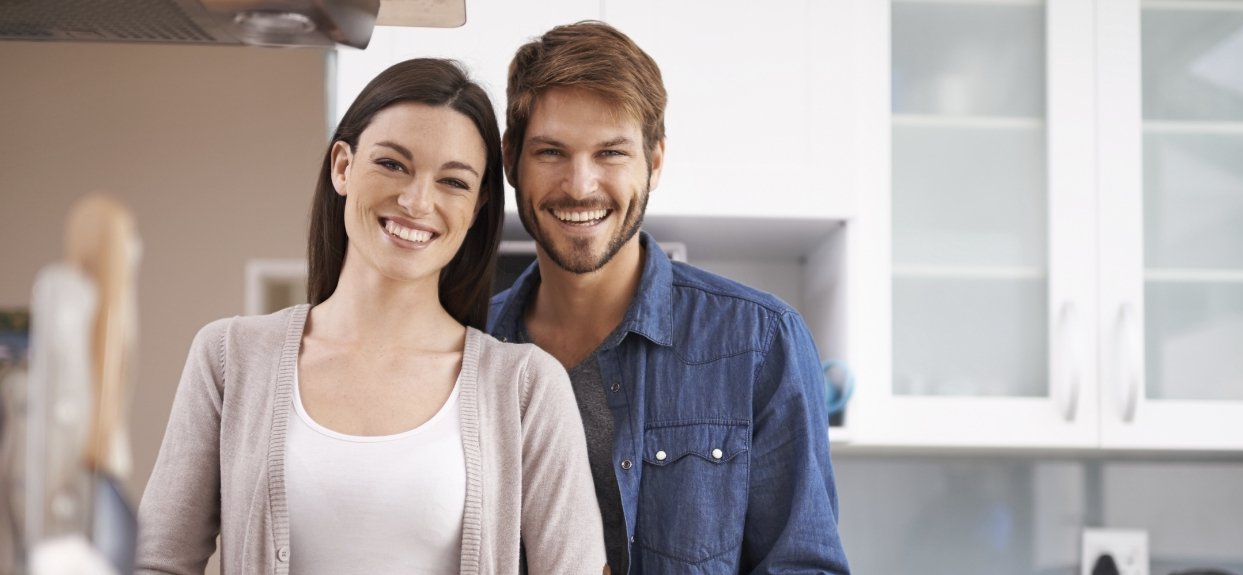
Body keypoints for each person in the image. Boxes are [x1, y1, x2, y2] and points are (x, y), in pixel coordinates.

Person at [136, 58, 605, 575]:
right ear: (343, 166)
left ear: (476, 206)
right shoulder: (229, 357)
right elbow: (158, 562)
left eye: (453, 182)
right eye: (393, 164)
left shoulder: (526, 387)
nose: (416, 201)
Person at [489, 21, 850, 574]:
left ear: (654, 161)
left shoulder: (759, 341)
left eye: (611, 152)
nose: (580, 185)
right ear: (512, 160)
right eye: (551, 151)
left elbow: (805, 566)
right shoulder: (465, 344)